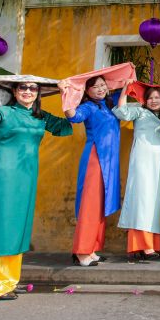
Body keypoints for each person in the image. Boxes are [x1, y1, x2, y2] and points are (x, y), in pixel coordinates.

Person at [0, 77, 72, 298]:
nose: (28, 91)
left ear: (38, 93)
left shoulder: (40, 117)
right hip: (4, 174)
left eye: (33, 88)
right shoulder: (4, 112)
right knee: (0, 225)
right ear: (14, 90)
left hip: (27, 176)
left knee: (17, 227)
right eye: (23, 87)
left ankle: (8, 280)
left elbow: (66, 127)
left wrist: (66, 95)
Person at [58, 75, 124, 267]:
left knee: (100, 206)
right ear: (87, 91)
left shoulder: (109, 104)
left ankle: (92, 248)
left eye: (103, 85)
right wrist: (65, 93)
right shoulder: (89, 107)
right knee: (90, 205)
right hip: (95, 159)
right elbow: (73, 116)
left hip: (109, 161)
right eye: (95, 87)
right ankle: (81, 251)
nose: (100, 89)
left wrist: (128, 75)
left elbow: (127, 86)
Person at [113, 81, 160, 262]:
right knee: (142, 199)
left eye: (157, 98)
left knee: (154, 201)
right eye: (150, 98)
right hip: (142, 158)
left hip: (158, 160)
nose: (153, 101)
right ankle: (144, 246)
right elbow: (120, 111)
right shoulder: (139, 111)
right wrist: (125, 90)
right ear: (145, 100)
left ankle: (151, 244)